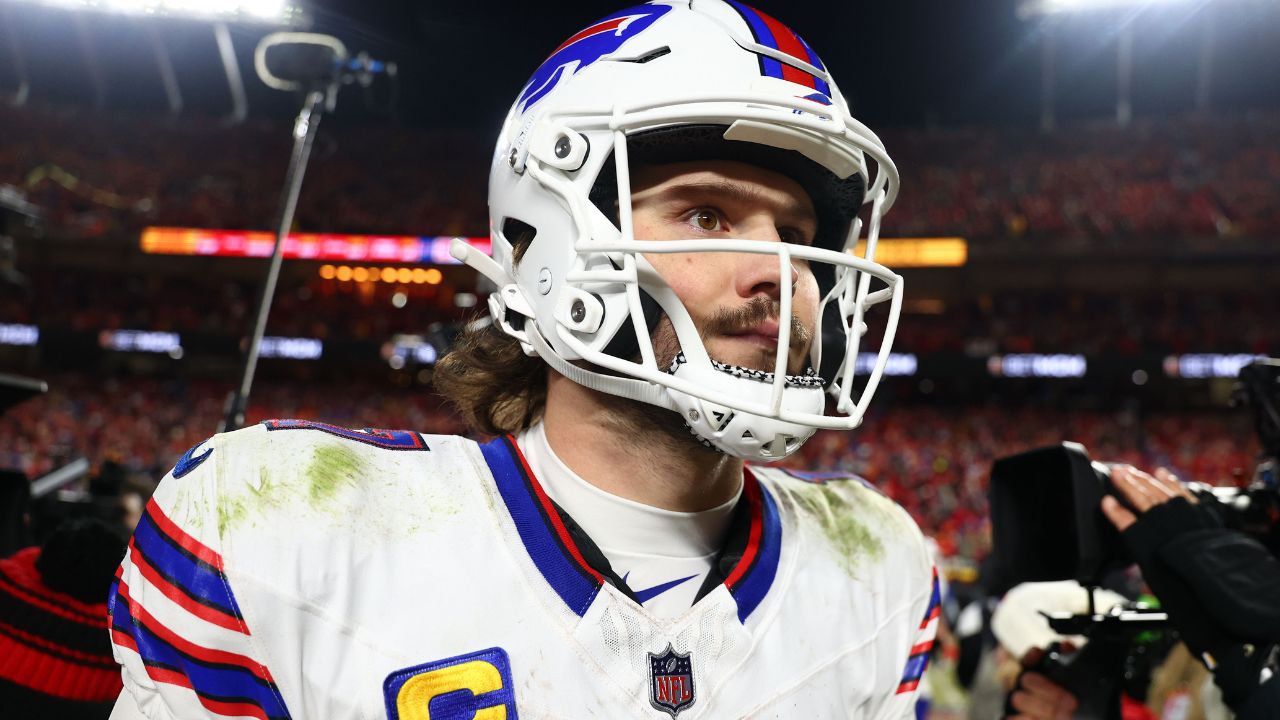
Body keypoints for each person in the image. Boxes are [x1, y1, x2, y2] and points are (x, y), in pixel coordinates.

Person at [108, 2, 938, 718]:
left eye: (795, 236)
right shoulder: (280, 529)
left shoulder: (881, 567)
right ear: (552, 244)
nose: (781, 275)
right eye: (707, 216)